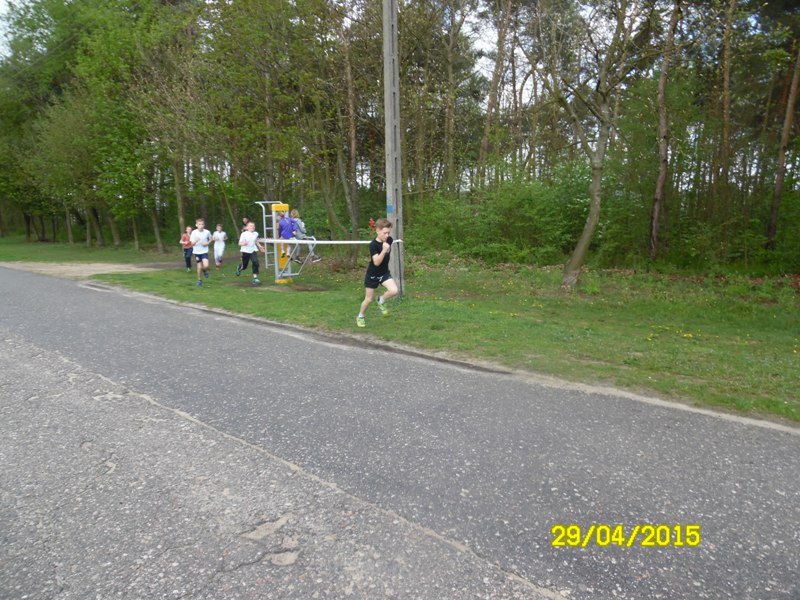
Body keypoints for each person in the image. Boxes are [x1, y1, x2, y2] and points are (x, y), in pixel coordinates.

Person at [356, 218, 398, 328]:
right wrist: (384, 250)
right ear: (377, 231)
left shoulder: (389, 240)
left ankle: (381, 300)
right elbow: (376, 262)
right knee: (368, 299)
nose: (387, 235)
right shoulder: (373, 245)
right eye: (384, 233)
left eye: (388, 233)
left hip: (384, 273)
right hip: (372, 274)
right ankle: (360, 316)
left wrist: (386, 245)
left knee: (394, 290)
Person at [235, 220, 265, 286]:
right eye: (251, 226)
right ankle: (239, 268)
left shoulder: (255, 233)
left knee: (256, 262)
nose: (252, 227)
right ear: (247, 227)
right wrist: (243, 243)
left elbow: (255, 240)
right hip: (245, 251)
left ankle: (255, 278)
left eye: (253, 226)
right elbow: (239, 243)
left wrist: (260, 247)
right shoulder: (244, 234)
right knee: (244, 266)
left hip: (253, 250)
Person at [190, 218, 213, 287]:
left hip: (204, 251)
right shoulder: (194, 232)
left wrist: (207, 243)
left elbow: (211, 238)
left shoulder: (207, 232)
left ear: (204, 225)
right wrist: (196, 241)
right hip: (197, 252)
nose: (201, 226)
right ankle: (199, 280)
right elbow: (192, 244)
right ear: (196, 225)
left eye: (202, 224)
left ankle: (204, 270)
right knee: (199, 267)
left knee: (206, 265)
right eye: (199, 224)